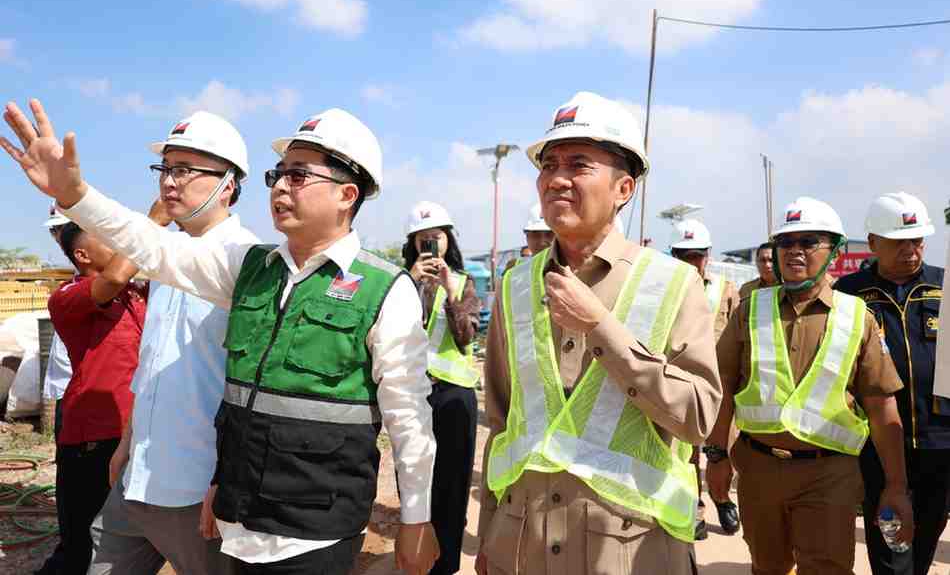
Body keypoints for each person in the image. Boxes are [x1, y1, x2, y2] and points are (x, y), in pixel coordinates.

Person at [1, 99, 439, 575]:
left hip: (317, 529)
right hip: (240, 519)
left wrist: (416, 519)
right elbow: (155, 248)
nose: (280, 187)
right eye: (279, 173)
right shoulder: (251, 270)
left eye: (299, 175)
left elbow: (409, 417)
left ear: (347, 194)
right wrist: (77, 196)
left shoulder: (383, 290)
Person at [475, 91, 721, 575]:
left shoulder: (673, 283)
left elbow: (698, 416)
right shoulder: (515, 287)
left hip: (630, 550)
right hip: (522, 542)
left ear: (623, 188)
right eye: (549, 165)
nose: (557, 179)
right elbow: (504, 427)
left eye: (579, 165)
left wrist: (602, 328)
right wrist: (489, 530)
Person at [87, 112, 258, 575]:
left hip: (197, 485)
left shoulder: (248, 264)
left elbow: (251, 390)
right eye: (165, 169)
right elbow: (153, 365)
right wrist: (127, 443)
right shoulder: (163, 264)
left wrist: (227, 479)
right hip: (139, 475)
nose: (169, 182)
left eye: (185, 170)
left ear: (227, 184)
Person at [706, 196, 912, 575]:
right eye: (786, 243)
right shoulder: (749, 310)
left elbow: (884, 411)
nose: (794, 252)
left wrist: (896, 485)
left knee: (827, 569)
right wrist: (717, 457)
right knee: (768, 567)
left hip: (829, 474)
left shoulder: (857, 318)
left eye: (808, 242)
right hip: (758, 469)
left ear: (834, 250)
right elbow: (724, 389)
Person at [835, 192, 948, 575]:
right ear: (872, 243)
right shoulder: (846, 295)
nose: (911, 251)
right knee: (892, 555)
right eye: (899, 243)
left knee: (921, 553)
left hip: (940, 447)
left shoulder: (944, 286)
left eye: (917, 241)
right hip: (878, 450)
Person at [46, 222, 145, 574]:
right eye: (110, 240)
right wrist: (151, 224)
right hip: (92, 434)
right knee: (83, 536)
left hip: (135, 429)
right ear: (82, 255)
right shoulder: (67, 297)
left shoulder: (134, 296)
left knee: (123, 535)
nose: (120, 245)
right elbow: (115, 277)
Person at [403, 201, 481, 575]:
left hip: (453, 396)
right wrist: (413, 283)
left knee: (452, 482)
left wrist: (450, 292)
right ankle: (417, 557)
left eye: (437, 237)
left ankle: (446, 562)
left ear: (449, 240)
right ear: (414, 245)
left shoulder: (464, 283)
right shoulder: (401, 281)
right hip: (413, 393)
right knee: (416, 478)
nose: (431, 244)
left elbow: (466, 338)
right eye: (423, 239)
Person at [668, 218, 741, 538]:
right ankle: (693, 508)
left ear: (707, 255)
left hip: (718, 385)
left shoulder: (726, 289)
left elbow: (738, 336)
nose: (691, 262)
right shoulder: (662, 289)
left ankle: (722, 499)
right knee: (684, 453)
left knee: (719, 449)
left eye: (696, 255)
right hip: (678, 382)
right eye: (683, 256)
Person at [34, 204, 74, 575]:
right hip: (67, 394)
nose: (57, 239)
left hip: (87, 400)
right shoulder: (70, 285)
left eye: (60, 231)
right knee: (69, 481)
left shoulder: (105, 280)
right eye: (55, 232)